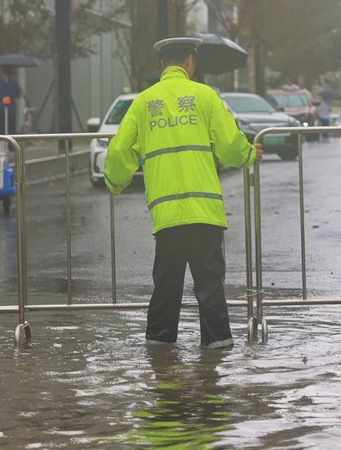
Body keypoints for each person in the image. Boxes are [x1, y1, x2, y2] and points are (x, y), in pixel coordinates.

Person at [103, 37, 263, 349]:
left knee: (166, 285)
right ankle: (216, 353)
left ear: (162, 64)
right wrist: (247, 155)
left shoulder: (144, 102)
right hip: (204, 212)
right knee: (209, 284)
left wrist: (114, 182)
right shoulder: (205, 96)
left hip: (167, 215)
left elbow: (119, 151)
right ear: (190, 62)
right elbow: (230, 144)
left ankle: (160, 355)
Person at [0, 66, 24, 134]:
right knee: (11, 131)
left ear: (2, 73)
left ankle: (1, 144)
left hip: (0, 110)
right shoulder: (14, 83)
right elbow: (18, 97)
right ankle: (10, 144)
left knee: (0, 131)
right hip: (11, 111)